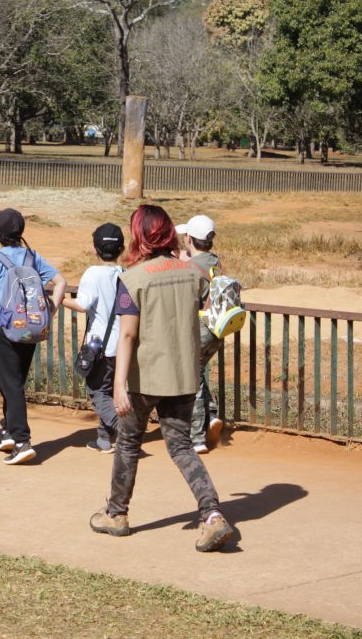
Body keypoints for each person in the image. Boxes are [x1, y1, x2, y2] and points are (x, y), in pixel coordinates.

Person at [89, 205, 234, 552]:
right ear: (169, 232)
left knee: (127, 443)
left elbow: (127, 336)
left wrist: (119, 385)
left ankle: (116, 514)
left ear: (139, 234)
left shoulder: (133, 278)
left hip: (146, 376)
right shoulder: (194, 273)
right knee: (182, 446)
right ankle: (213, 514)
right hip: (184, 374)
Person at [0, 208, 67, 465]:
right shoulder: (32, 256)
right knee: (14, 381)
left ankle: (21, 440)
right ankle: (7, 429)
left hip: (2, 327)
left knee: (11, 383)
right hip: (30, 327)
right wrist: (50, 311)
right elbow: (60, 282)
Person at [61, 223, 125, 453]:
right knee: (108, 390)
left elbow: (82, 304)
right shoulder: (126, 273)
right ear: (122, 248)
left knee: (97, 392)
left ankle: (125, 431)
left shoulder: (93, 273)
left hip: (101, 347)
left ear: (94, 249)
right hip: (124, 346)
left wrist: (56, 299)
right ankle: (103, 440)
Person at [177, 214, 225, 454]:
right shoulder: (215, 262)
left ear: (188, 239)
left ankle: (196, 438)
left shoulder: (191, 268)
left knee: (191, 381)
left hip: (199, 330)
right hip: (217, 330)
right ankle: (212, 416)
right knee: (197, 374)